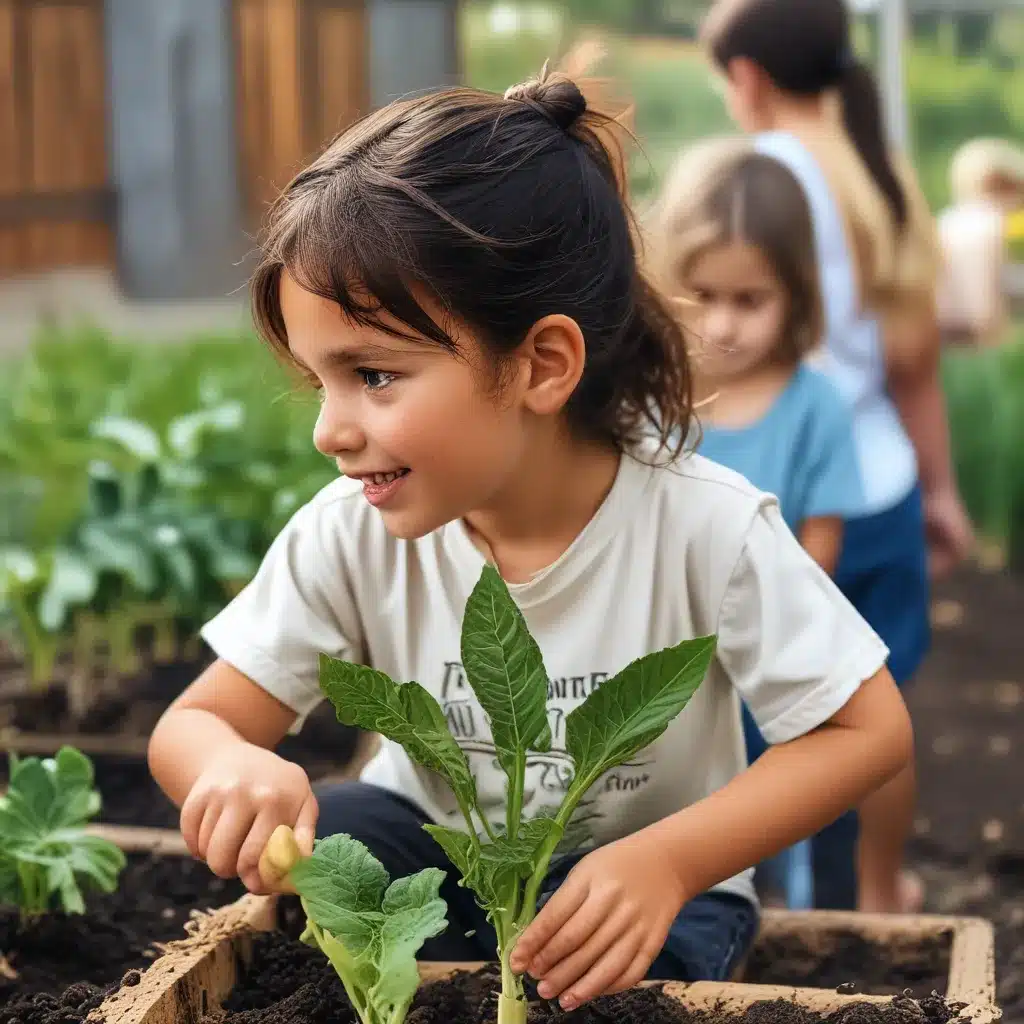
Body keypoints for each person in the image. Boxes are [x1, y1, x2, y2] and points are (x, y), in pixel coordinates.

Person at [147, 66, 912, 1010]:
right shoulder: (349, 534)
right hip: (436, 857)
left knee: (614, 978)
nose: (329, 431)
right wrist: (232, 765)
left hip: (627, 885)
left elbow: (866, 729)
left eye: (375, 375)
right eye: (320, 382)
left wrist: (670, 861)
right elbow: (193, 722)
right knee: (339, 830)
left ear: (542, 365)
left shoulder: (703, 526)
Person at [702, 0, 974, 913]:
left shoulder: (761, 176)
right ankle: (881, 894)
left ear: (749, 79)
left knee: (772, 727)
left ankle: (768, 897)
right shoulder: (879, 168)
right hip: (881, 484)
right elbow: (915, 360)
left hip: (777, 495)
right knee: (876, 713)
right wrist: (940, 490)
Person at [647, 138, 865, 910]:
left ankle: (800, 915)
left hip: (770, 652)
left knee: (787, 813)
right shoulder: (653, 399)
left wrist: (760, 632)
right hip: (666, 655)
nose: (724, 324)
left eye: (750, 300)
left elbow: (821, 543)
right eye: (702, 295)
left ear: (796, 294)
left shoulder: (816, 407)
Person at [937, 137, 1024, 345]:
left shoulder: (948, 221)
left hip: (943, 337)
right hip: (972, 340)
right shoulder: (990, 224)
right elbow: (983, 309)